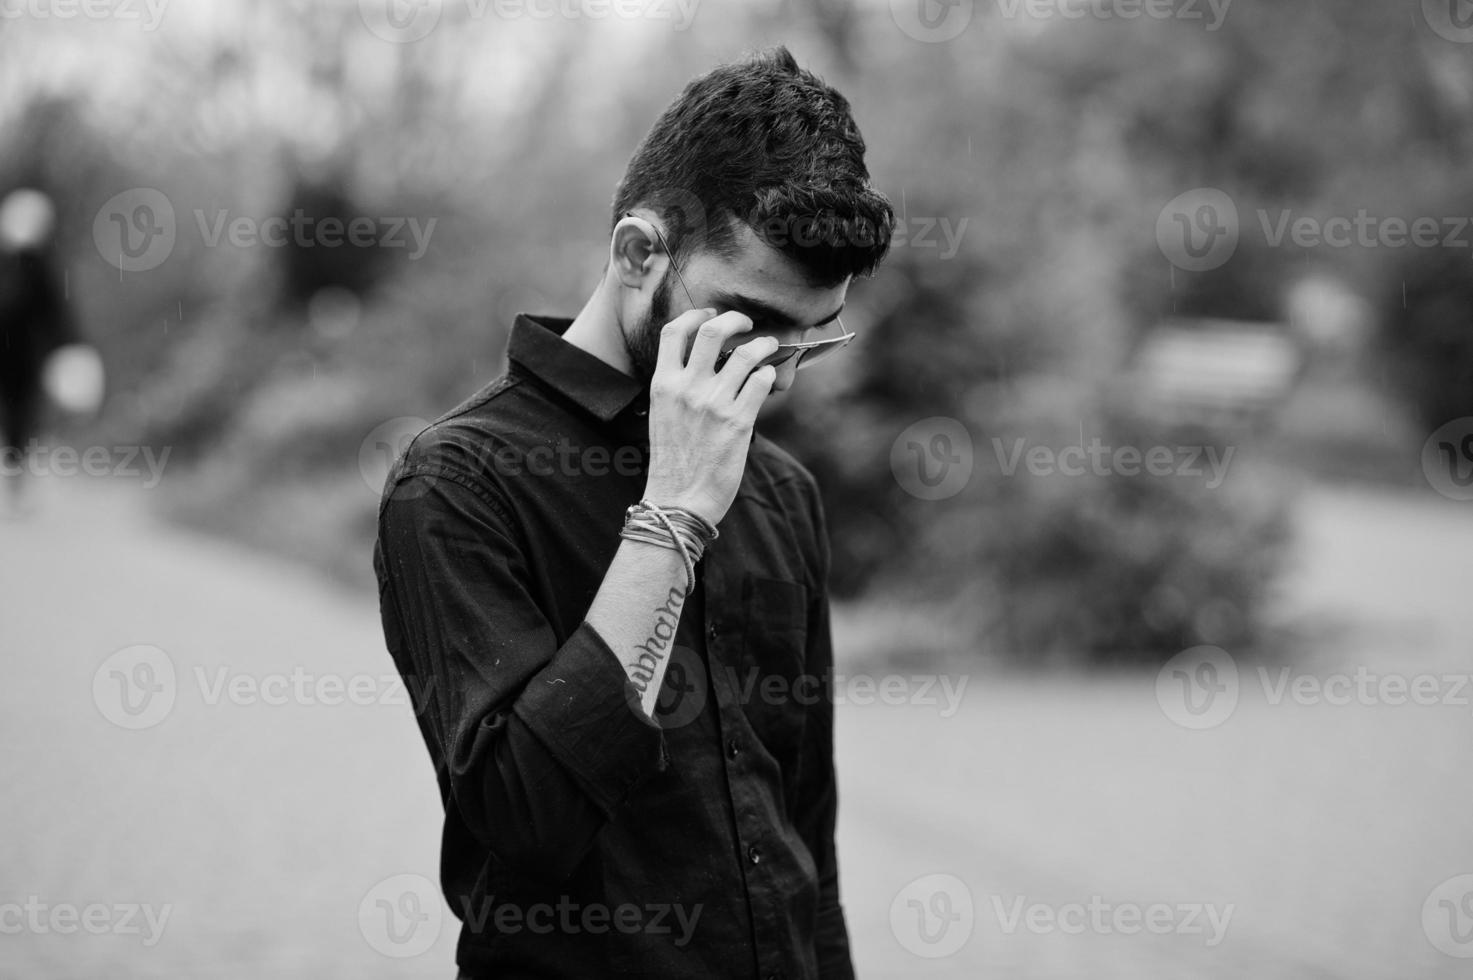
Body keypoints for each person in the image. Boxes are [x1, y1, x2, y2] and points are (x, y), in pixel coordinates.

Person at [373, 46, 893, 978]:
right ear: (639, 251)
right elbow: (526, 822)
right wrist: (675, 515)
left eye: (811, 337)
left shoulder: (781, 490)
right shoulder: (456, 482)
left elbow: (806, 828)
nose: (773, 372)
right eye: (748, 321)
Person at [0, 188, 95, 511]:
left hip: (23, 357)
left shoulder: (37, 266)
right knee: (18, 419)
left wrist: (70, 346)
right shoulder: (24, 263)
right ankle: (14, 486)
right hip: (21, 355)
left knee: (20, 419)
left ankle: (15, 487)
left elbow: (54, 312)